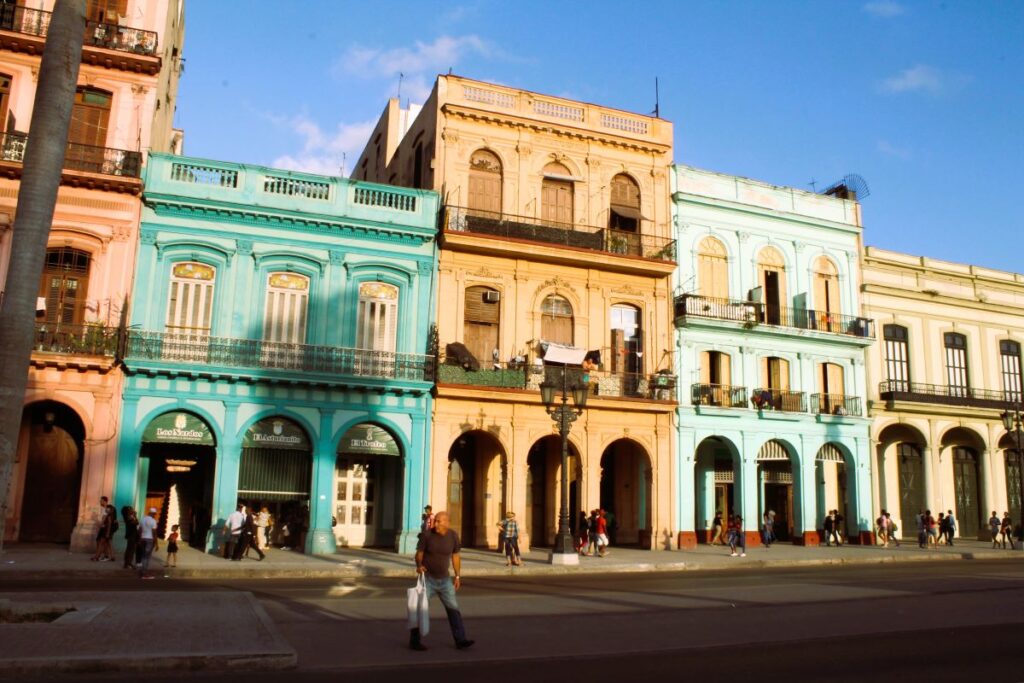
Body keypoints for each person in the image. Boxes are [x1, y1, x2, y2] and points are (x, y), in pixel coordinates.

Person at [410, 511, 474, 651]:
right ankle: (414, 641)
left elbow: (456, 556)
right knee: (420, 610)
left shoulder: (453, 536)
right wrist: (419, 566)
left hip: (445, 581)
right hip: (428, 580)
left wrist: (457, 576)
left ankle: (460, 640)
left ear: (447, 523)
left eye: (439, 521)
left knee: (454, 610)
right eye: (435, 521)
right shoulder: (427, 535)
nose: (435, 524)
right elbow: (419, 554)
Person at [138, 507, 158, 579]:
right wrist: (156, 543)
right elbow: (154, 532)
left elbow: (140, 530)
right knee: (147, 557)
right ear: (153, 513)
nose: (155, 515)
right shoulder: (153, 521)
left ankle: (142, 572)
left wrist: (140, 539)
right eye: (155, 514)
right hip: (149, 539)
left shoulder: (142, 519)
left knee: (143, 556)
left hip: (143, 539)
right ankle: (144, 573)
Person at [91, 497, 114, 562]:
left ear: (104, 501)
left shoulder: (108, 512)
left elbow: (108, 523)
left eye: (101, 501)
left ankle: (97, 557)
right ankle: (110, 556)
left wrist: (107, 533)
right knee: (107, 543)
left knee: (101, 543)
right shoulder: (105, 510)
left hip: (105, 530)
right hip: (104, 530)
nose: (100, 502)